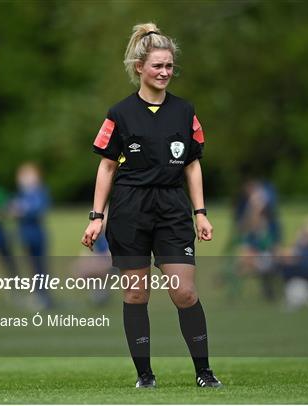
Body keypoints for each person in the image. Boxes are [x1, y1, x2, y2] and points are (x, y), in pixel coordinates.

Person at [81, 23, 221, 389]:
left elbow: (192, 164)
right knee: (135, 293)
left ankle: (204, 373)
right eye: (157, 65)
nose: (164, 72)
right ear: (139, 67)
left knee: (184, 292)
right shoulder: (119, 113)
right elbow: (107, 165)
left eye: (169, 66)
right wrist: (97, 217)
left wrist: (200, 212)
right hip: (129, 210)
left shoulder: (185, 111)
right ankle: (145, 376)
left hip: (173, 209)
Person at [11, 163, 52, 309]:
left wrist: (24, 210)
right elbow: (13, 209)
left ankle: (44, 297)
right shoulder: (21, 194)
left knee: (41, 267)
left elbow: (38, 209)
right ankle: (37, 294)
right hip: (25, 235)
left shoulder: (40, 192)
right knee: (32, 267)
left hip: (37, 235)